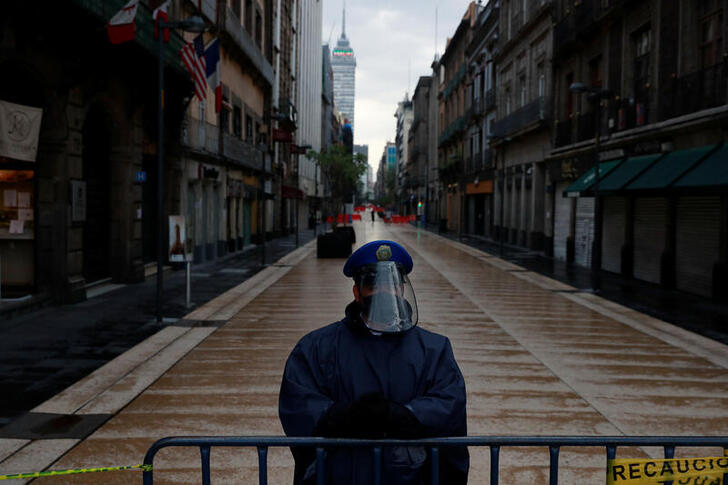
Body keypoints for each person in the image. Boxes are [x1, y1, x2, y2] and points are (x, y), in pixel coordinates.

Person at [279, 240, 469, 485]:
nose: (384, 292)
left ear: (401, 289)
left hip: (410, 478)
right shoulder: (316, 347)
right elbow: (298, 403)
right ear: (356, 292)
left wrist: (405, 415)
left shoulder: (434, 349)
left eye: (391, 284)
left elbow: (450, 402)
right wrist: (342, 416)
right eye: (372, 284)